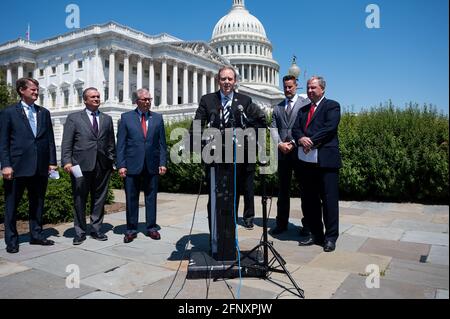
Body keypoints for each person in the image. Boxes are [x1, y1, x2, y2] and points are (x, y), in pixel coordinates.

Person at [193, 66, 266, 231]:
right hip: (216, 156)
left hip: (239, 154)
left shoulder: (245, 101)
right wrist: (199, 143)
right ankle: (215, 232)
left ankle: (232, 225)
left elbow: (255, 124)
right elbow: (197, 124)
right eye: (223, 79)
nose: (227, 82)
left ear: (235, 81)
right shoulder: (208, 100)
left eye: (230, 79)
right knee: (216, 195)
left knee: (238, 190)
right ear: (218, 80)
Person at [0, 78, 57, 253]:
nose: (36, 92)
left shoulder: (44, 112)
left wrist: (52, 162)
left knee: (37, 202)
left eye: (37, 89)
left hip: (40, 167)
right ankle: (11, 240)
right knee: (12, 205)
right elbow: (3, 142)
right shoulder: (8, 113)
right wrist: (6, 165)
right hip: (17, 167)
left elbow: (49, 140)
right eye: (32, 89)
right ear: (21, 90)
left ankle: (37, 235)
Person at [292, 76, 342, 252]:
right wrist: (300, 138)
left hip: (326, 161)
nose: (310, 90)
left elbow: (329, 128)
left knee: (329, 201)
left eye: (313, 87)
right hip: (306, 163)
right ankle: (315, 234)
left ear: (322, 89)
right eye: (308, 87)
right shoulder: (303, 110)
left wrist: (310, 141)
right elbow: (295, 128)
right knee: (310, 201)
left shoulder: (332, 106)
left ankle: (330, 238)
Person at [61, 87, 116, 245]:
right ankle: (79, 231)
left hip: (102, 166)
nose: (97, 99)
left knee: (99, 199)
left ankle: (96, 229)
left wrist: (112, 161)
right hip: (80, 165)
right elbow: (67, 142)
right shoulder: (74, 118)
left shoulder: (107, 119)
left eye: (98, 96)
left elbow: (111, 142)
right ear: (85, 100)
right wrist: (67, 162)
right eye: (93, 97)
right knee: (80, 198)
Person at [117, 88, 167, 243]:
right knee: (131, 198)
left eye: (149, 99)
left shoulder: (158, 118)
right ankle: (131, 230)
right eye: (144, 99)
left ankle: (151, 228)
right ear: (136, 101)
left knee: (151, 198)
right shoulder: (126, 118)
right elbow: (121, 144)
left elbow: (162, 144)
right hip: (132, 165)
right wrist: (121, 165)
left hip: (152, 165)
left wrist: (162, 163)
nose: (148, 102)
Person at [270, 75, 310, 236]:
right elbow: (273, 128)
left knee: (305, 190)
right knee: (283, 191)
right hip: (283, 154)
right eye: (285, 87)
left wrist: (293, 143)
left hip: (300, 152)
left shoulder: (305, 104)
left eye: (290, 87)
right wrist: (279, 144)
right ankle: (281, 223)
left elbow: (306, 127)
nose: (287, 90)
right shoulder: (277, 107)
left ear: (296, 86)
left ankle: (307, 225)